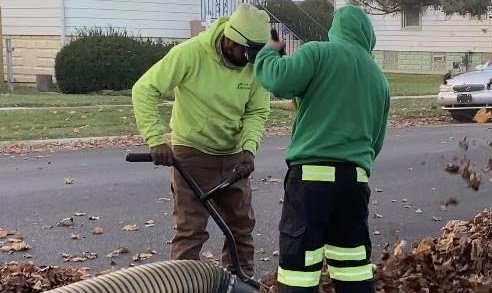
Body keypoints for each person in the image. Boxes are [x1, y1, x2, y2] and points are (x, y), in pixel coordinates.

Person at [254, 6, 390, 293]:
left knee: (299, 266)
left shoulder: (318, 52)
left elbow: (279, 81)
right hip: (355, 181)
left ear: (335, 29)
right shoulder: (379, 78)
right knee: (352, 263)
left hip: (312, 179)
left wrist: (268, 51)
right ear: (368, 36)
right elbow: (375, 141)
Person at [131, 3, 271, 277]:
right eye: (245, 52)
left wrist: (248, 149)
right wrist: (155, 139)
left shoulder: (254, 65)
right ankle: (181, 283)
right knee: (191, 230)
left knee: (241, 227)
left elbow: (257, 110)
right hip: (192, 154)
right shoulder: (191, 53)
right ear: (229, 39)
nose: (249, 60)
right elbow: (144, 89)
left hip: (233, 156)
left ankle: (240, 282)